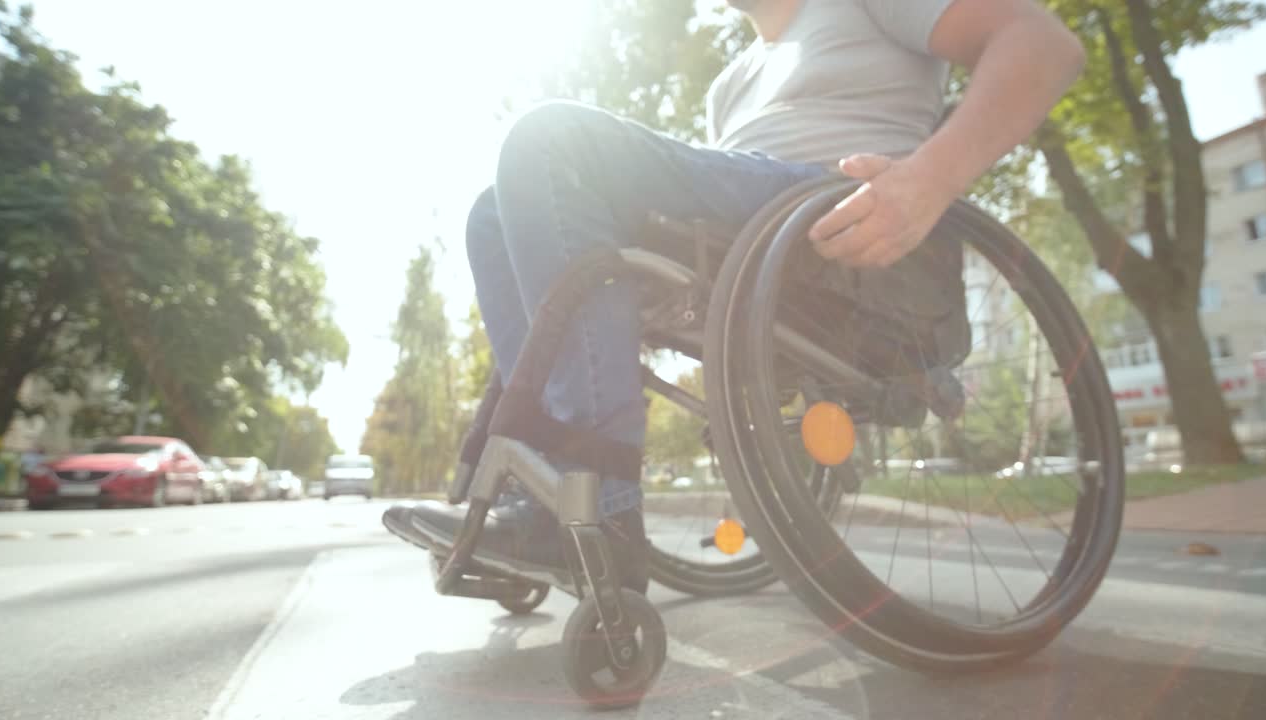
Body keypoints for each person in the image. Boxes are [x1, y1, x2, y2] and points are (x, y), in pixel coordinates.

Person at [383, 0, 1085, 593]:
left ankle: (598, 504)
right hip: (742, 241)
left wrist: (929, 180)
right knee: (493, 214)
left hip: (830, 209)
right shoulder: (730, 85)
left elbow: (1044, 45)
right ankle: (545, 498)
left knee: (547, 141)